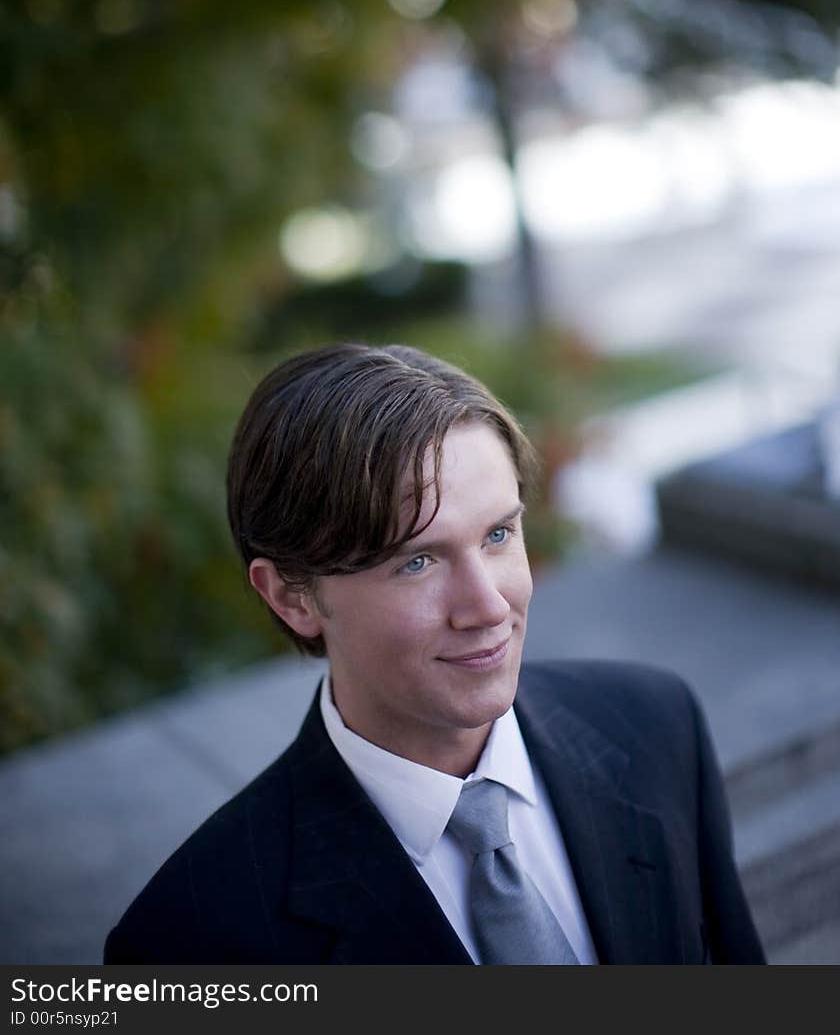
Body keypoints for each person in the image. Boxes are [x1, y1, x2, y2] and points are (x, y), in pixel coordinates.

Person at [104, 342, 765, 965]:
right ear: (292, 596)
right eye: (418, 561)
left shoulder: (657, 725)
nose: (488, 606)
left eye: (499, 534)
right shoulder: (189, 937)